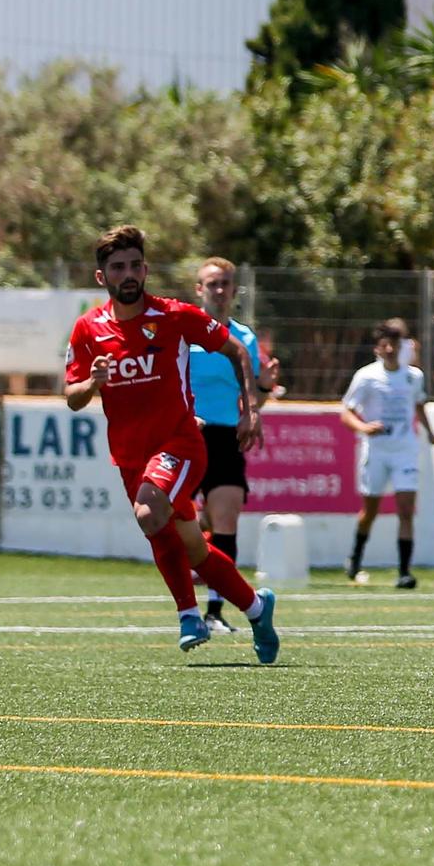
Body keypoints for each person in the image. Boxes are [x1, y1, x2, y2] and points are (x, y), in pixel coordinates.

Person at [63, 225, 279, 659]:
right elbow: (71, 397)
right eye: (118, 267)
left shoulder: (174, 316)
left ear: (145, 270)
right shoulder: (88, 329)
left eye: (135, 265)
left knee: (149, 510)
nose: (129, 274)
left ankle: (188, 614)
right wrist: (92, 382)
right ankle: (257, 608)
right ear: (101, 277)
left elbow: (235, 349)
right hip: (129, 456)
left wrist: (249, 409)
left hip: (180, 442)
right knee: (193, 546)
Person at [188, 257, 278, 628]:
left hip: (226, 435)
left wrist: (266, 389)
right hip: (185, 434)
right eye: (213, 284)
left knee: (227, 519)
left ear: (234, 290)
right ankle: (186, 609)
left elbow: (255, 398)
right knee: (171, 522)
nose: (220, 290)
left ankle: (214, 612)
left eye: (226, 283)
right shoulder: (184, 333)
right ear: (199, 290)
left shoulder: (244, 337)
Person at [341, 318, 434, 588]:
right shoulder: (367, 377)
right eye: (386, 346)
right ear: (378, 349)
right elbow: (346, 412)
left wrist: (429, 431)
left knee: (406, 509)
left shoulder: (413, 376)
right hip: (377, 450)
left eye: (395, 345)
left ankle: (404, 572)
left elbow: (418, 405)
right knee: (370, 511)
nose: (391, 350)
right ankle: (356, 556)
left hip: (405, 449)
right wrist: (364, 427)